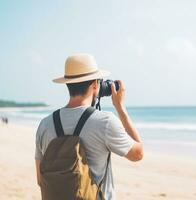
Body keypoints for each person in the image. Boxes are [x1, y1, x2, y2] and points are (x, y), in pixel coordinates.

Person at [35, 53, 143, 199]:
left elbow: (40, 180)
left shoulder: (45, 125)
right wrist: (120, 107)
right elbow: (138, 154)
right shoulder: (105, 122)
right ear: (95, 84)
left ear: (67, 84)